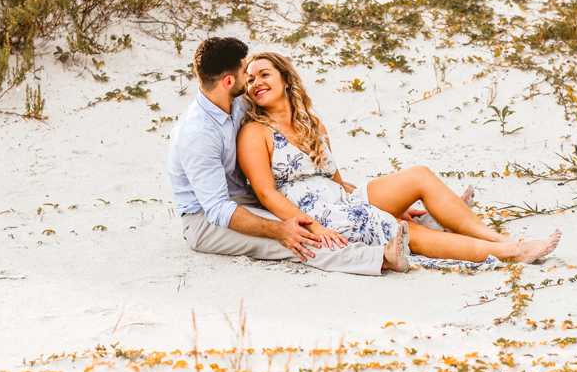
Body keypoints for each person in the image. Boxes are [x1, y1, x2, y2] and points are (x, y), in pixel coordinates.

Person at [237, 51, 561, 265]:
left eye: (264, 74)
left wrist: (390, 202)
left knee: (418, 175)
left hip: (341, 198)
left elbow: (332, 177)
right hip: (314, 213)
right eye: (249, 80)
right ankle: (511, 252)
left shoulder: (311, 122)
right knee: (407, 234)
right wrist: (311, 226)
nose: (256, 83)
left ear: (284, 78)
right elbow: (266, 193)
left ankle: (493, 237)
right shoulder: (256, 132)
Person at [168, 37, 408, 276]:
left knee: (312, 214)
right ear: (229, 81)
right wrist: (278, 229)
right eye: (246, 73)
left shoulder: (236, 100)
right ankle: (379, 258)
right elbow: (218, 209)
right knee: (297, 236)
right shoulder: (197, 133)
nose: (251, 78)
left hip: (246, 200)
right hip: (207, 220)